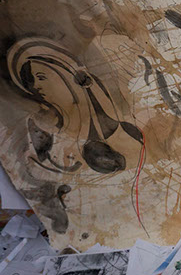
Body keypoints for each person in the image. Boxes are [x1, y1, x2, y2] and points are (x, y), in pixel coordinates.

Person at [6, 38, 147, 231]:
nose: (36, 86)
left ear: (67, 76)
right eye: (32, 81)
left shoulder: (126, 130)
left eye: (41, 77)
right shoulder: (42, 132)